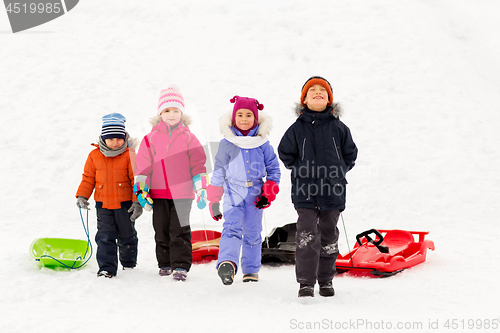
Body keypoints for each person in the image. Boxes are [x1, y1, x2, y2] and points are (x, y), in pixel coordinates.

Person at [278, 76, 358, 297]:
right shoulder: (296, 129)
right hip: (305, 192)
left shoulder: (339, 128)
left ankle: (326, 280)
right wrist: (299, 169)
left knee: (328, 235)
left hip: (333, 190)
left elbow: (350, 153)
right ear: (304, 99)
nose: (317, 92)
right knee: (307, 236)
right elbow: (285, 152)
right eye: (312, 90)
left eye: (322, 90)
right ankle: (305, 282)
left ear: (329, 100)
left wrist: (339, 169)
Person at [134, 84, 207, 281]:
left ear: (181, 113)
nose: (172, 114)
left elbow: (199, 164)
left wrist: (201, 188)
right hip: (158, 193)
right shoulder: (150, 139)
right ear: (160, 114)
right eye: (167, 110)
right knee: (161, 229)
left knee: (180, 229)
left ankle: (181, 266)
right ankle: (164, 263)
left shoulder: (189, 138)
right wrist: (142, 191)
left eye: (176, 110)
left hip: (182, 193)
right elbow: (143, 167)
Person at [207, 96, 281, 285]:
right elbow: (218, 171)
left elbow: (273, 170)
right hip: (233, 192)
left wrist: (268, 192)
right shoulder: (227, 143)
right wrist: (214, 200)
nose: (244, 119)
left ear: (255, 119)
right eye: (240, 115)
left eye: (249, 115)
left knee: (252, 233)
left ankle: (250, 269)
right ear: (233, 118)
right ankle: (227, 264)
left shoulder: (262, 143)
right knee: (231, 229)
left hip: (255, 193)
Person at [76, 113, 142, 278]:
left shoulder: (130, 155)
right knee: (105, 236)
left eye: (119, 138)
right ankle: (107, 268)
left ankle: (128, 263)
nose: (115, 142)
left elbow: (137, 180)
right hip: (103, 205)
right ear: (103, 139)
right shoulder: (94, 156)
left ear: (125, 137)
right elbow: (88, 178)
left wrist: (137, 201)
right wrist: (82, 196)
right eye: (111, 139)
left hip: (125, 204)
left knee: (127, 235)